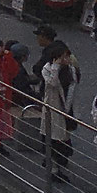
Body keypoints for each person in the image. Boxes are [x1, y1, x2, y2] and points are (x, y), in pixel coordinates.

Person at [37, 40, 78, 185]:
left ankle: (58, 165)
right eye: (63, 57)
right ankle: (53, 168)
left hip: (65, 108)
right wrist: (55, 67)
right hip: (52, 108)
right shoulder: (47, 69)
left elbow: (73, 85)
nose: (66, 60)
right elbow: (52, 83)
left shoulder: (70, 70)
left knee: (62, 138)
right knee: (53, 137)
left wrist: (68, 105)